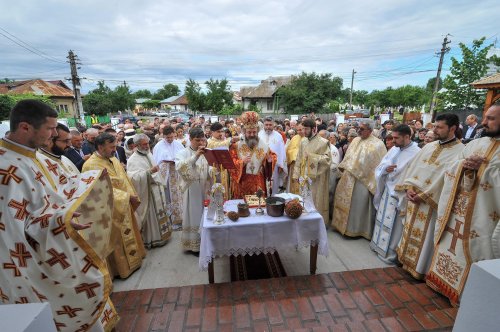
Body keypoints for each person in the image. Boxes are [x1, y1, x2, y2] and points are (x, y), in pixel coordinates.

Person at [0, 100, 117, 331]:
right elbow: (12, 233)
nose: (55, 134)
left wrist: (86, 186)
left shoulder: (39, 156)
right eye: (50, 128)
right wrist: (60, 220)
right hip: (41, 260)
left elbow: (60, 193)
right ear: (25, 127)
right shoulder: (6, 170)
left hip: (66, 243)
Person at [426, 103, 500, 305]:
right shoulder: (478, 144)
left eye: (490, 118)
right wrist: (465, 167)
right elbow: (451, 167)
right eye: (485, 117)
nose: (483, 122)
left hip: (484, 217)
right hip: (458, 212)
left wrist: (483, 170)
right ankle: (442, 283)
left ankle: (471, 297)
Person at [395, 113, 464, 280]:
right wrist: (408, 188)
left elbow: (449, 181)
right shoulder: (429, 146)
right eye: (434, 126)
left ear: (452, 128)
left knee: (425, 239)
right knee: (409, 230)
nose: (435, 130)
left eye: (439, 127)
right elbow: (412, 168)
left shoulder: (461, 151)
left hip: (431, 204)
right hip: (413, 199)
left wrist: (424, 196)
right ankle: (405, 261)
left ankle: (420, 268)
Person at [83, 133, 146, 278]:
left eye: (115, 146)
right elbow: (98, 192)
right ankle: (122, 269)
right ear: (100, 147)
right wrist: (126, 196)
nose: (114, 149)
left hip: (124, 203)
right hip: (109, 210)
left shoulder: (113, 159)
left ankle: (135, 260)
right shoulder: (90, 165)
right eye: (111, 147)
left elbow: (123, 179)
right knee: (117, 239)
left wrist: (132, 195)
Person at [370, 125, 420, 263]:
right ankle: (377, 246)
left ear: (407, 137)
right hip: (387, 189)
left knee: (395, 225)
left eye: (397, 138)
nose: (393, 140)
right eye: (393, 137)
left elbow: (416, 176)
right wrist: (385, 169)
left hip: (400, 194)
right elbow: (381, 166)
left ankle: (391, 253)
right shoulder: (394, 149)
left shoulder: (417, 153)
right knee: (382, 220)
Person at [332, 120, 386, 239]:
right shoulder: (356, 140)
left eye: (362, 129)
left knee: (357, 205)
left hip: (363, 180)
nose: (358, 131)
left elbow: (378, 165)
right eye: (359, 128)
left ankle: (355, 230)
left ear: (370, 130)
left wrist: (362, 171)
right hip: (348, 177)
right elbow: (349, 157)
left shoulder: (378, 145)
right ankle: (340, 226)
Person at [127, 134, 172, 249]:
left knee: (161, 212)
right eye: (144, 144)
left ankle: (164, 236)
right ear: (137, 145)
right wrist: (149, 172)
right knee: (152, 216)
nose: (147, 146)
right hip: (147, 191)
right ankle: (153, 239)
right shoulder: (133, 159)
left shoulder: (148, 153)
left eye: (147, 143)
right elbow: (132, 178)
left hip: (156, 188)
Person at [175, 127, 212, 253]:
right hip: (192, 190)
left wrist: (214, 170)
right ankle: (194, 246)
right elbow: (180, 168)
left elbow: (207, 168)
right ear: (190, 139)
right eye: (197, 140)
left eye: (202, 140)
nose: (200, 143)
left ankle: (206, 242)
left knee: (206, 216)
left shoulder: (205, 152)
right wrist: (195, 156)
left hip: (204, 189)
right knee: (195, 216)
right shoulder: (183, 153)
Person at [228, 111, 277, 198]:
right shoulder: (236, 146)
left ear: (257, 131)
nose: (252, 135)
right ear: (244, 132)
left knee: (258, 206)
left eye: (254, 132)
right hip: (242, 182)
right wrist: (242, 162)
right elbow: (230, 164)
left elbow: (272, 156)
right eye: (249, 132)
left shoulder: (263, 145)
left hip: (258, 182)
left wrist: (269, 161)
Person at [293, 119, 331, 223]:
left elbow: (327, 160)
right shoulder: (303, 141)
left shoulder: (323, 142)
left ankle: (316, 223)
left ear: (314, 129)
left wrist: (312, 158)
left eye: (306, 129)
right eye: (302, 129)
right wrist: (296, 175)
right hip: (303, 176)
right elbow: (299, 158)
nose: (304, 131)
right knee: (304, 198)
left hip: (316, 178)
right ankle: (305, 221)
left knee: (315, 200)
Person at [153, 126, 185, 230]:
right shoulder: (158, 146)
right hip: (166, 175)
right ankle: (169, 221)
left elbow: (184, 158)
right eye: (168, 138)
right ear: (163, 136)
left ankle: (180, 219)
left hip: (177, 174)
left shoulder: (178, 144)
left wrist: (176, 161)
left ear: (174, 134)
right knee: (167, 198)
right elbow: (156, 161)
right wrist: (165, 161)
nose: (170, 139)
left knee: (179, 197)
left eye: (172, 137)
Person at [207, 122, 239, 200]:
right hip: (214, 171)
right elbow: (217, 145)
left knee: (226, 191)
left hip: (226, 170)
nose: (221, 133)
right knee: (216, 192)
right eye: (218, 132)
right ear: (212, 132)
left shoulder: (224, 140)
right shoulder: (209, 142)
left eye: (222, 131)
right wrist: (230, 140)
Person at [259, 117, 287, 195]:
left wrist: (281, 166)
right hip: (261, 166)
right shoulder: (259, 135)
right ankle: (262, 201)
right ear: (263, 125)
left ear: (273, 125)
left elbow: (282, 152)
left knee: (274, 185)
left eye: (270, 125)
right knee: (261, 185)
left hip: (274, 166)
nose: (268, 127)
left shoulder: (278, 136)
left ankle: (273, 201)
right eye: (266, 125)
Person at [285, 121, 304, 194]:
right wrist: (294, 155)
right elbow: (288, 150)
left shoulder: (308, 139)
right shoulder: (294, 138)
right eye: (298, 130)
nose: (299, 131)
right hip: (294, 165)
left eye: (301, 129)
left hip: (303, 167)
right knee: (293, 185)